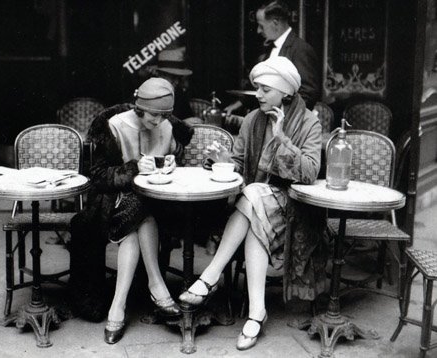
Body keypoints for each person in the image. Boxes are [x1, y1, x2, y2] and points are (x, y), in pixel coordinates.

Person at [179, 56, 327, 351]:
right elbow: (239, 162)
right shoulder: (252, 120)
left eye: (264, 89)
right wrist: (224, 161)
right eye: (257, 88)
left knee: (252, 196)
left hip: (294, 207)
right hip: (256, 206)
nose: (257, 95)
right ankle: (257, 311)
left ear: (285, 92)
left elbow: (310, 173)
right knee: (254, 203)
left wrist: (283, 137)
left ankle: (210, 275)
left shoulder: (309, 122)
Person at [67, 78, 194, 344]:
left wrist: (170, 162)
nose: (158, 122)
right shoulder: (114, 125)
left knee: (140, 215)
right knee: (140, 215)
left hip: (154, 202)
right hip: (109, 202)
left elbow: (172, 159)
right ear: (139, 108)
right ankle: (156, 285)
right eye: (153, 115)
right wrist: (133, 168)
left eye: (164, 116)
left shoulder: (167, 126)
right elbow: (98, 176)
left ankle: (118, 308)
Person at [225, 0, 321, 116]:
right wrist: (240, 103)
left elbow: (309, 94)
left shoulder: (300, 49)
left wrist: (283, 116)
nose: (258, 31)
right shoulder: (268, 49)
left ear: (275, 23)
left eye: (261, 26)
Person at [150, 47, 203, 125]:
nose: (177, 82)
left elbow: (187, 116)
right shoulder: (148, 94)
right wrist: (181, 124)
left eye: (179, 78)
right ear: (161, 75)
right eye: (173, 77)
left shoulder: (178, 92)